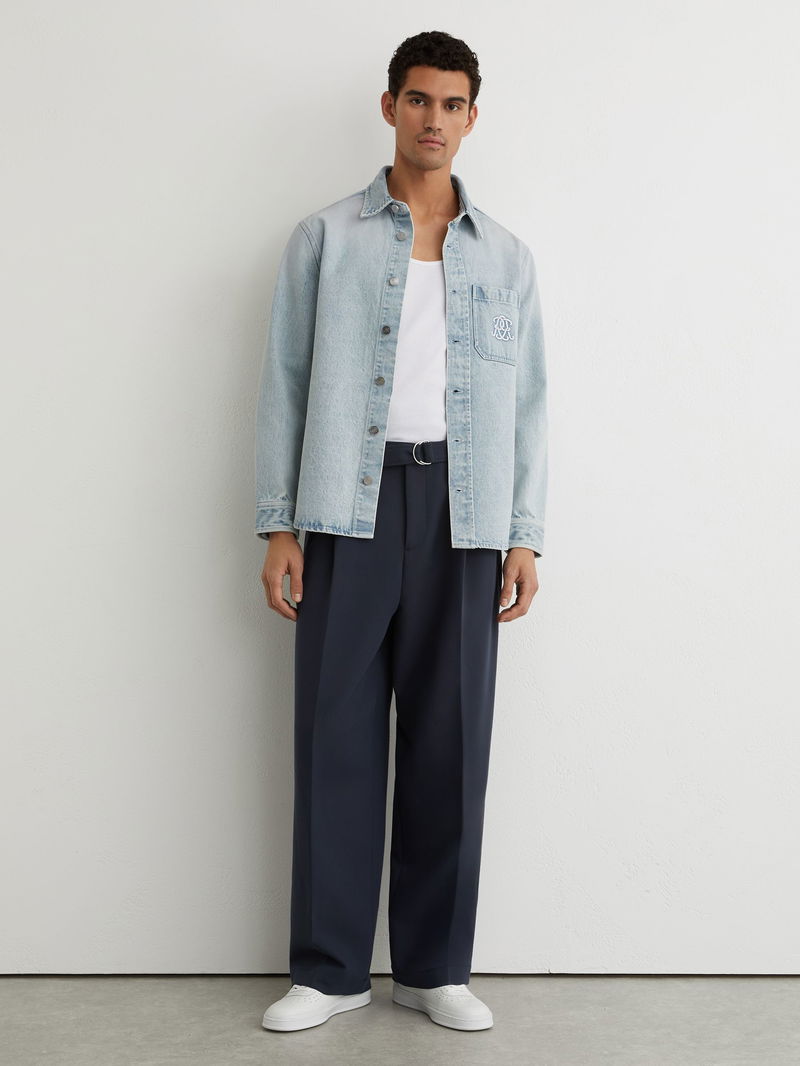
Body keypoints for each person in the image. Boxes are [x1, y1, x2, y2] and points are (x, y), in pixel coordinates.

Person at [256, 30, 548, 1034]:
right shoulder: (325, 238)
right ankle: (331, 968)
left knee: (450, 743)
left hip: (465, 513)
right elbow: (285, 383)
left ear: (472, 116)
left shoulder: (505, 257)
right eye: (418, 100)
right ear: (390, 108)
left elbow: (528, 407)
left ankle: (433, 967)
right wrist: (278, 524)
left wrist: (523, 534)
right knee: (334, 733)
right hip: (348, 505)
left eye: (451, 104)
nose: (434, 120)